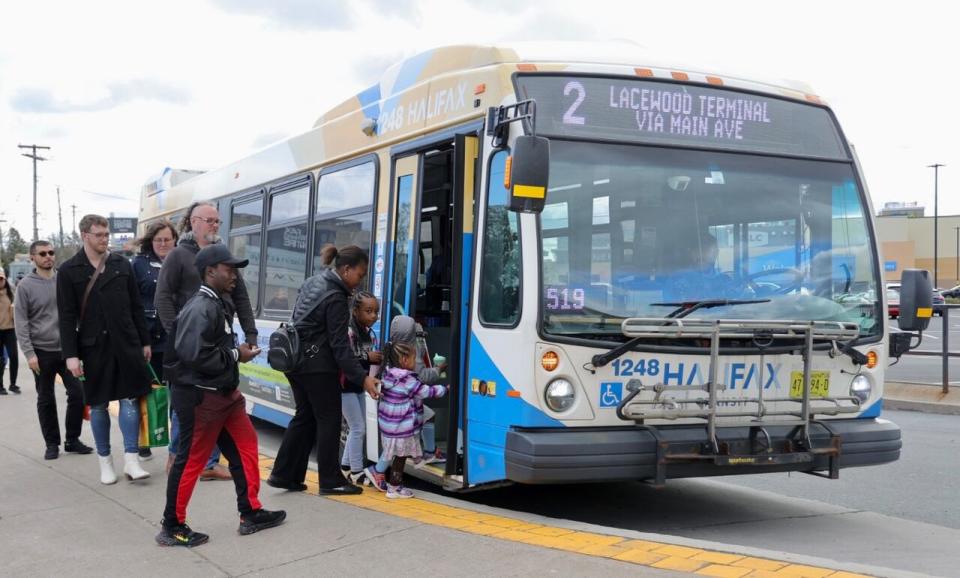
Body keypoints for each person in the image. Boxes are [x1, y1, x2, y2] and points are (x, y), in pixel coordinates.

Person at [157, 244, 285, 547]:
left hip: (224, 395)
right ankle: (171, 525)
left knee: (245, 448)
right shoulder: (202, 306)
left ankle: (251, 512)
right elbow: (193, 354)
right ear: (209, 271)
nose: (235, 276)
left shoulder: (215, 302)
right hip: (203, 398)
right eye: (229, 269)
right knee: (190, 459)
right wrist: (235, 353)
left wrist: (233, 356)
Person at [156, 201, 257, 480]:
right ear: (193, 222)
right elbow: (163, 297)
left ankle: (210, 463)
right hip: (189, 345)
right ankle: (178, 457)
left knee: (215, 400)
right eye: (209, 221)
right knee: (187, 402)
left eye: (217, 222)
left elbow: (242, 298)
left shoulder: (224, 256)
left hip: (220, 339)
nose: (214, 226)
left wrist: (251, 334)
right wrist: (175, 334)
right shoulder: (178, 255)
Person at [267, 245, 379, 495]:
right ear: (346, 269)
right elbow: (340, 346)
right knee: (329, 419)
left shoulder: (313, 282)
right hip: (318, 367)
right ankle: (331, 480)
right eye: (360, 275)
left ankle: (284, 474)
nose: (359, 282)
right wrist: (363, 379)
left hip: (295, 361)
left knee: (304, 416)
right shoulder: (336, 296)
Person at [58, 215, 151, 484]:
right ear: (85, 235)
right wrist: (71, 355)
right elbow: (65, 316)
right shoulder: (69, 271)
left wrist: (144, 341)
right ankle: (106, 463)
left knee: (130, 400)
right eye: (99, 235)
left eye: (106, 234)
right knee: (98, 405)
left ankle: (131, 460)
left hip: (126, 344)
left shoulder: (122, 263)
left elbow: (136, 306)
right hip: (92, 348)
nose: (105, 239)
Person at [14, 241, 93, 458]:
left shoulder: (63, 280)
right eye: (42, 254)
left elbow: (78, 313)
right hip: (41, 351)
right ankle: (51, 444)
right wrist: (29, 354)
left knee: (77, 394)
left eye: (51, 253)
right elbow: (21, 321)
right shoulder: (25, 286)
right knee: (46, 398)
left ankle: (72, 439)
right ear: (33, 258)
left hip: (67, 349)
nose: (48, 256)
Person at [364, 315, 444, 491]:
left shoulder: (390, 348)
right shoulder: (408, 355)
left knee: (392, 447)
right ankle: (393, 484)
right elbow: (423, 384)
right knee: (399, 451)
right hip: (402, 416)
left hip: (390, 415)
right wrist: (440, 374)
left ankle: (380, 472)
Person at [131, 220, 178, 461]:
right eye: (158, 239)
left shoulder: (181, 261)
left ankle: (176, 445)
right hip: (148, 339)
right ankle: (143, 441)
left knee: (177, 393)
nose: (163, 244)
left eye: (167, 239)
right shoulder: (138, 265)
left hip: (175, 337)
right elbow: (131, 303)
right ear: (151, 241)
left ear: (174, 240)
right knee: (146, 391)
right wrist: (139, 341)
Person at [339, 291, 381, 485]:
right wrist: (368, 357)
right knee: (358, 428)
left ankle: (346, 466)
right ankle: (357, 472)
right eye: (368, 311)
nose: (373, 316)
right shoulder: (348, 331)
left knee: (358, 426)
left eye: (376, 312)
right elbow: (345, 359)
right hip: (344, 386)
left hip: (358, 385)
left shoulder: (366, 331)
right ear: (356, 311)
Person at [0, 269, 19, 395]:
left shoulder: (11, 292)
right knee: (0, 360)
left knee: (14, 357)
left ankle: (13, 384)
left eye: (1, 279)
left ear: (5, 279)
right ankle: (0, 386)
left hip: (10, 330)